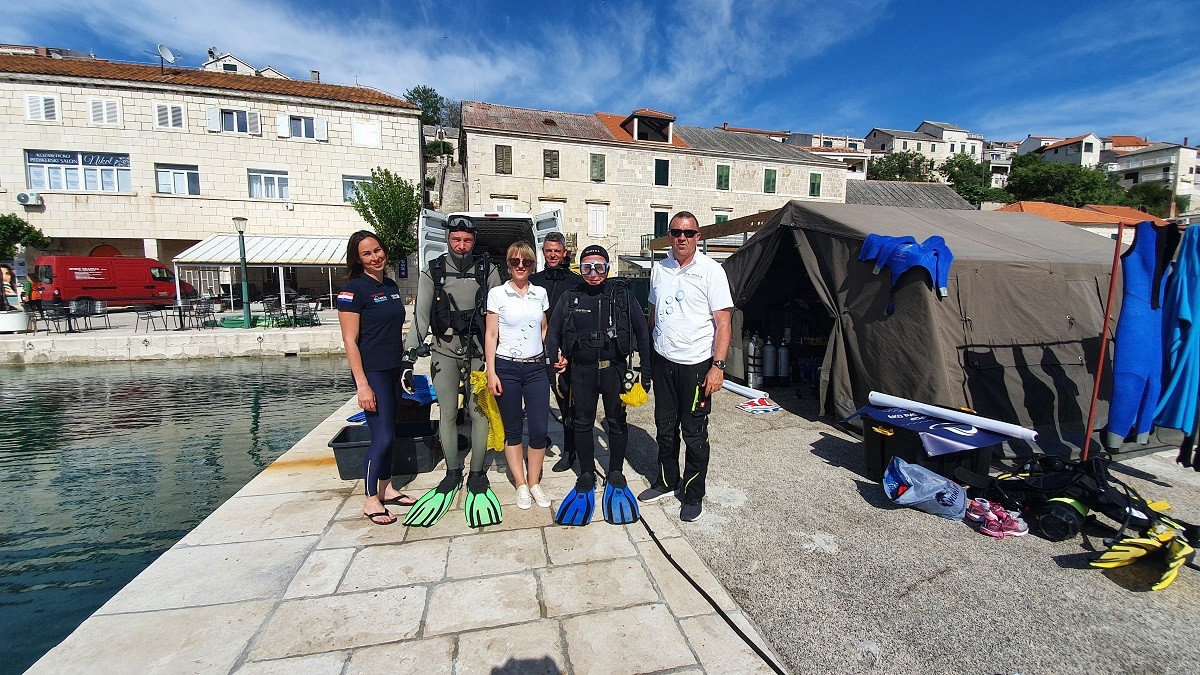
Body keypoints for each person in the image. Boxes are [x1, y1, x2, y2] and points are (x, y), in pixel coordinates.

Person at [403, 215, 504, 528]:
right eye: (456, 239)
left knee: (479, 413)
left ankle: (477, 473)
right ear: (448, 239)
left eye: (467, 240)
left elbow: (499, 314)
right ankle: (452, 471)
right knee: (447, 413)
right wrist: (409, 356)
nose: (462, 245)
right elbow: (421, 315)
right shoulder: (432, 270)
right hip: (444, 351)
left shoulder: (488, 270)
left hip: (478, 354)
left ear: (474, 241)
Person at [546, 245, 651, 526]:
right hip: (581, 371)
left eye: (600, 267)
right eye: (587, 267)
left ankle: (615, 471)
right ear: (580, 269)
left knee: (616, 422)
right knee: (582, 423)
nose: (593, 273)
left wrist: (646, 372)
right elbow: (553, 333)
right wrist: (550, 366)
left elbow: (643, 333)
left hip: (613, 370)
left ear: (608, 268)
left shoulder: (622, 296)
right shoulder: (570, 297)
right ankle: (586, 473)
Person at [639, 212, 733, 522]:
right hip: (663, 362)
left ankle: (693, 494)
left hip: (696, 366)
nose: (682, 237)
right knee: (665, 428)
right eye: (677, 232)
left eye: (689, 232)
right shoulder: (660, 269)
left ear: (698, 236)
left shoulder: (712, 271)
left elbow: (723, 322)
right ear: (669, 235)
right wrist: (647, 358)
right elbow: (653, 314)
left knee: (694, 433)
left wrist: (718, 366)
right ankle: (667, 481)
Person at [336, 231, 416, 526]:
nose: (375, 257)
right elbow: (349, 340)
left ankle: (386, 488)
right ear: (358, 259)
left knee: (390, 432)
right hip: (373, 373)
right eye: (367, 254)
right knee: (380, 436)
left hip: (393, 368)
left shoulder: (391, 286)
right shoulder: (352, 290)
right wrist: (362, 384)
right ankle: (370, 499)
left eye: (378, 250)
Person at [485, 241, 552, 510]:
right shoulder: (497, 294)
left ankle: (534, 482)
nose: (521, 266)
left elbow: (543, 329)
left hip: (536, 368)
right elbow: (491, 335)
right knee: (513, 431)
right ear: (508, 264)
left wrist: (554, 352)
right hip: (507, 368)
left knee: (539, 430)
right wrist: (491, 372)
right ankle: (521, 484)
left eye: (526, 262)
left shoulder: (540, 293)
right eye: (515, 261)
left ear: (533, 265)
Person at [529, 232, 582, 472]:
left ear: (564, 253)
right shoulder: (533, 281)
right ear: (543, 252)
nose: (552, 254)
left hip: (565, 352)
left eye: (557, 251)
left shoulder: (575, 282)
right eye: (549, 250)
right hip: (536, 349)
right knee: (537, 401)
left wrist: (567, 351)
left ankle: (570, 450)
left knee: (567, 403)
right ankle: (539, 444)